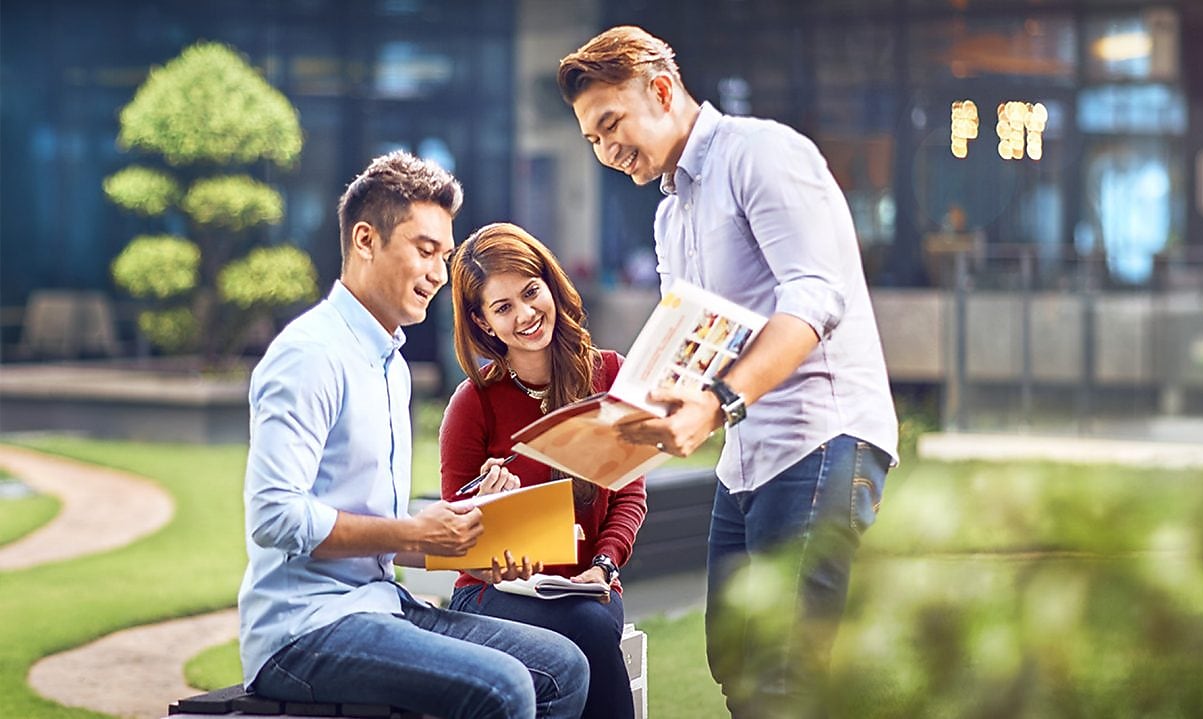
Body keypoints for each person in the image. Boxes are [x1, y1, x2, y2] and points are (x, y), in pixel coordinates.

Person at [558, 26, 899, 717]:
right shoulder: (670, 216)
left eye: (611, 123)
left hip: (821, 437)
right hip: (746, 458)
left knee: (782, 671)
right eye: (592, 139)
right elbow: (688, 346)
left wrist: (713, 404)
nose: (605, 150)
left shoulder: (761, 154)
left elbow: (814, 297)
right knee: (735, 660)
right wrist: (625, 421)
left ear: (660, 89)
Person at [237, 151, 589, 719]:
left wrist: (471, 534)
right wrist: (414, 529)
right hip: (302, 631)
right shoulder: (310, 357)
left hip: (379, 605)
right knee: (504, 687)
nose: (437, 274)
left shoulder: (389, 364)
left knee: (562, 667)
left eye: (443, 256)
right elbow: (275, 517)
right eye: (425, 251)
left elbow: (384, 533)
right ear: (365, 240)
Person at [440, 221, 648, 719]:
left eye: (531, 292)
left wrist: (603, 566)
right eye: (503, 307)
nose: (526, 315)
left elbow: (629, 494)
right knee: (588, 632)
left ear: (550, 285)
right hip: (494, 594)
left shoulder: (609, 377)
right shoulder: (474, 404)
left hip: (589, 587)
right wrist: (488, 509)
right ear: (485, 323)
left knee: (591, 622)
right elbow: (454, 542)